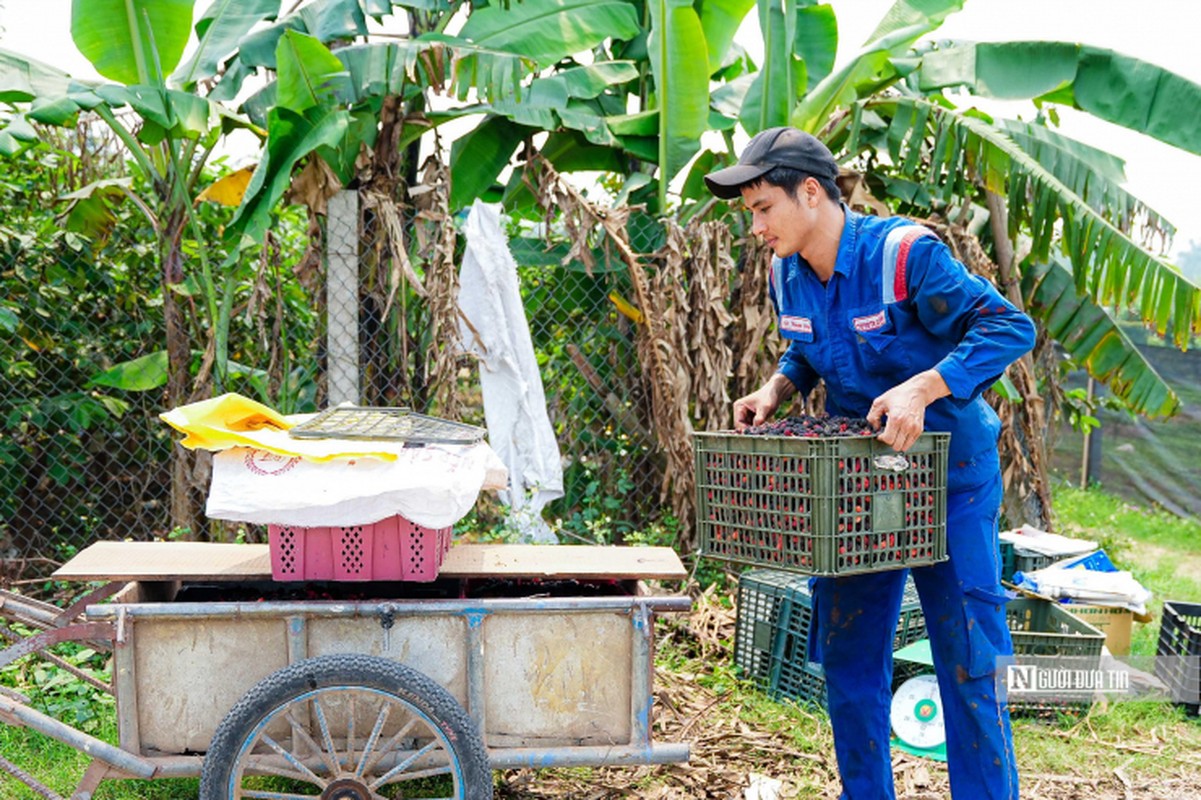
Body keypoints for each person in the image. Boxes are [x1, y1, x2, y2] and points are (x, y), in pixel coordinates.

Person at [704, 126, 1035, 800]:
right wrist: (777, 387)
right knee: (850, 660)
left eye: (764, 208)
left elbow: (1006, 327)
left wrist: (924, 386)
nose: (757, 227)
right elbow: (807, 348)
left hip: (949, 483)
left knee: (968, 660)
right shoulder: (784, 273)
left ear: (810, 193)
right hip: (861, 489)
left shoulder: (902, 255)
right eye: (750, 215)